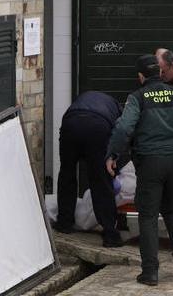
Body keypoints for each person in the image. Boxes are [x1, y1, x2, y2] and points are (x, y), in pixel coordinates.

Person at [105, 55, 173, 286]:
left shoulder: (137, 97)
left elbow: (124, 127)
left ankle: (150, 272)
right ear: (161, 73)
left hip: (150, 162)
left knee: (147, 216)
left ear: (141, 76)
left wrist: (113, 154)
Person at [54, 91, 124, 248]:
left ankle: (64, 223)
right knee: (100, 179)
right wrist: (114, 158)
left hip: (70, 124)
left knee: (67, 174)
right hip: (98, 127)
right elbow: (120, 134)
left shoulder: (85, 99)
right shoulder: (118, 110)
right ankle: (110, 233)